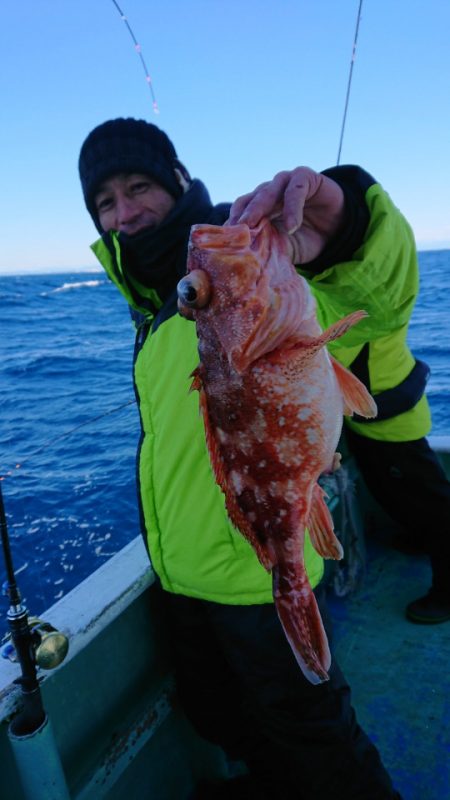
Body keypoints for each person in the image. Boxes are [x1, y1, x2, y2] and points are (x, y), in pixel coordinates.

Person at [76, 115, 439, 799]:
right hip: (183, 579)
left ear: (178, 181)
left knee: (316, 736)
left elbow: (378, 292)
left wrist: (349, 227)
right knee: (222, 719)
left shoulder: (278, 277)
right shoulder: (154, 307)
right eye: (105, 201)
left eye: (138, 187)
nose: (123, 213)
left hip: (254, 576)